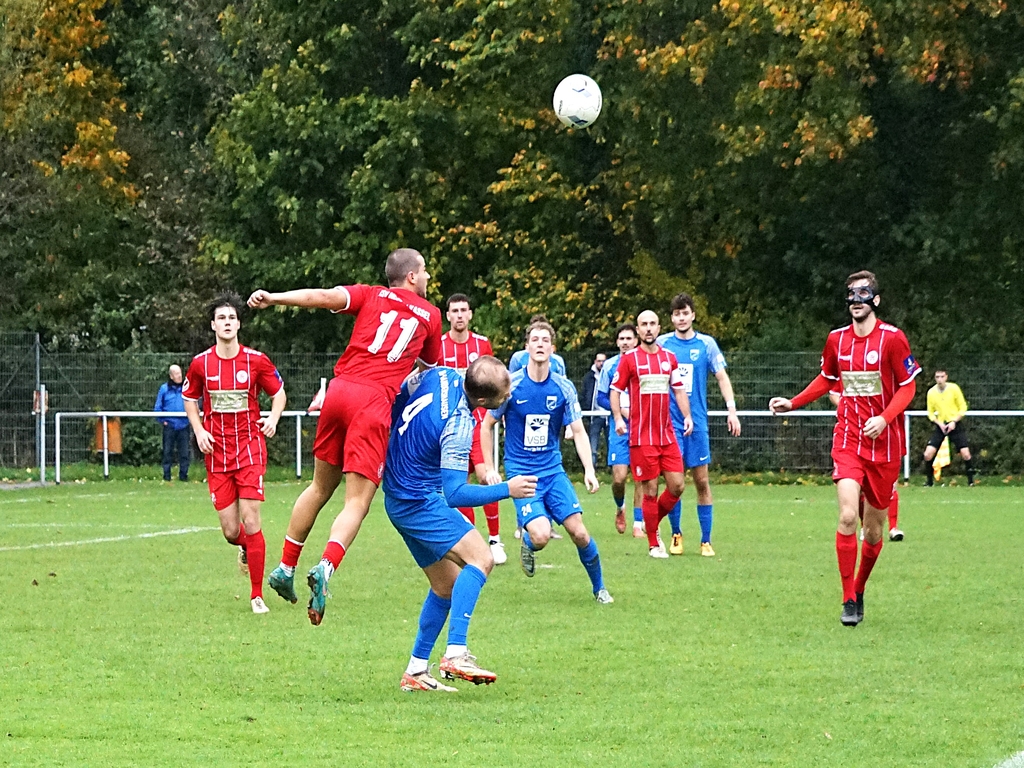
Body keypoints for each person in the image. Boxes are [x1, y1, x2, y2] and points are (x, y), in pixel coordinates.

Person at [247, 248, 443, 624]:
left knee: (320, 487)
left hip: (338, 392)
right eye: (425, 271)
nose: (428, 277)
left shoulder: (370, 294)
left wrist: (274, 297)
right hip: (372, 402)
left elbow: (322, 296)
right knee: (357, 502)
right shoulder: (430, 315)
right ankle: (325, 567)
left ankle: (285, 568)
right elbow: (430, 370)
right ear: (412, 276)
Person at [770, 270, 920, 627]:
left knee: (874, 532)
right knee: (849, 516)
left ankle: (860, 588)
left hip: (884, 446)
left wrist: (884, 418)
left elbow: (908, 387)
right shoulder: (836, 340)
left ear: (875, 300)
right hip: (849, 439)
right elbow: (827, 379)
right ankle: (848, 598)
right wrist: (793, 403)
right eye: (851, 294)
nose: (856, 300)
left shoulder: (893, 339)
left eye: (863, 293)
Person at [388, 359, 538, 692]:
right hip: (418, 501)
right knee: (482, 558)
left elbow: (401, 393)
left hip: (399, 495)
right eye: (504, 394)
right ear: (483, 401)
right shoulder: (458, 422)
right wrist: (508, 489)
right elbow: (455, 494)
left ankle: (416, 671)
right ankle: (456, 653)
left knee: (445, 586)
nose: (509, 396)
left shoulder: (441, 374)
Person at [480, 320, 613, 603]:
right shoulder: (511, 385)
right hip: (522, 473)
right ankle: (529, 542)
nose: (540, 344)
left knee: (579, 533)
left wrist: (589, 470)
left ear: (552, 349)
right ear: (527, 347)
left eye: (545, 340)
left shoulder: (563, 387)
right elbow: (487, 424)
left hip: (552, 471)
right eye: (535, 340)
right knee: (540, 536)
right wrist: (490, 467)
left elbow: (578, 431)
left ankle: (600, 588)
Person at [182, 293, 287, 615]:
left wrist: (272, 418)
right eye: (221, 318)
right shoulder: (201, 364)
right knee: (231, 531)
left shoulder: (256, 360)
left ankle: (257, 595)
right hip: (217, 453)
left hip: (249, 448)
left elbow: (279, 393)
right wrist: (199, 430)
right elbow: (189, 397)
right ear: (213, 325)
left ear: (238, 324)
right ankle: (246, 547)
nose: (227, 323)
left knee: (251, 519)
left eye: (231, 318)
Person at [657, 294, 741, 557]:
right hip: (670, 424)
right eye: (677, 314)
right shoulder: (662, 344)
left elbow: (722, 377)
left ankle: (706, 540)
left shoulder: (706, 344)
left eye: (685, 313)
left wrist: (731, 410)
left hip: (698, 424)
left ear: (693, 315)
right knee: (674, 483)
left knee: (702, 481)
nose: (681, 318)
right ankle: (676, 534)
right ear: (671, 318)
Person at [610, 310, 694, 558]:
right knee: (650, 489)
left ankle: (651, 521)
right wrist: (618, 418)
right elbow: (615, 391)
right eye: (643, 324)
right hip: (641, 437)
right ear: (638, 330)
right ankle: (654, 544)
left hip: (666, 435)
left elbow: (679, 390)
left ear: (659, 328)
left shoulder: (669, 358)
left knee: (677, 486)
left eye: (652, 324)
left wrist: (687, 416)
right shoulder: (629, 360)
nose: (648, 328)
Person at [440, 293, 506, 565]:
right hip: (449, 429)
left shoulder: (481, 344)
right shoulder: (439, 346)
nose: (459, 315)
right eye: (454, 310)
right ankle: (468, 538)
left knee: (486, 476)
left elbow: (494, 381)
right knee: (456, 485)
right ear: (448, 316)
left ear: (470, 315)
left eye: (463, 310)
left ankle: (495, 539)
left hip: (477, 426)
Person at [829, 384, 904, 542]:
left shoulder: (891, 375)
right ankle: (865, 525)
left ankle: (893, 527)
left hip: (886, 441)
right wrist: (853, 406)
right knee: (853, 502)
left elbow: (907, 390)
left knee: (891, 488)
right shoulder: (847, 370)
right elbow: (833, 392)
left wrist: (884, 417)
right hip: (853, 440)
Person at [597, 324, 645, 536]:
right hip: (619, 428)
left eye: (629, 338)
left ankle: (638, 523)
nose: (625, 342)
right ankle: (620, 507)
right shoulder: (609, 366)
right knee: (619, 478)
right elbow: (600, 397)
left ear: (636, 341)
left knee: (641, 476)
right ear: (617, 342)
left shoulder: (644, 363)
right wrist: (620, 410)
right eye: (621, 339)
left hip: (642, 427)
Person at [923, 369, 975, 486]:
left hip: (955, 425)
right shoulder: (931, 392)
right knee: (928, 454)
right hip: (941, 425)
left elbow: (963, 407)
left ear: (946, 377)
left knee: (966, 454)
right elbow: (930, 413)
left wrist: (954, 421)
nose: (940, 380)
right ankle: (929, 482)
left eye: (942, 377)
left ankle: (971, 481)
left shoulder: (954, 389)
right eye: (937, 377)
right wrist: (939, 423)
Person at [154, 364, 190, 482]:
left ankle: (184, 476)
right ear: (171, 376)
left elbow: (193, 403)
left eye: (180, 373)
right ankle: (166, 476)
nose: (179, 376)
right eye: (176, 374)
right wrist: (163, 421)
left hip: (184, 425)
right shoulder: (164, 389)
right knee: (167, 452)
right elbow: (158, 407)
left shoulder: (186, 388)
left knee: (184, 453)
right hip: (169, 425)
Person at [581, 353, 608, 464]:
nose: (601, 363)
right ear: (595, 362)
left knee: (611, 443)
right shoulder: (589, 377)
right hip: (594, 415)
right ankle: (591, 467)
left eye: (603, 361)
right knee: (592, 444)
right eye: (599, 361)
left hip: (609, 414)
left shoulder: (610, 374)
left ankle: (612, 468)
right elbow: (584, 394)